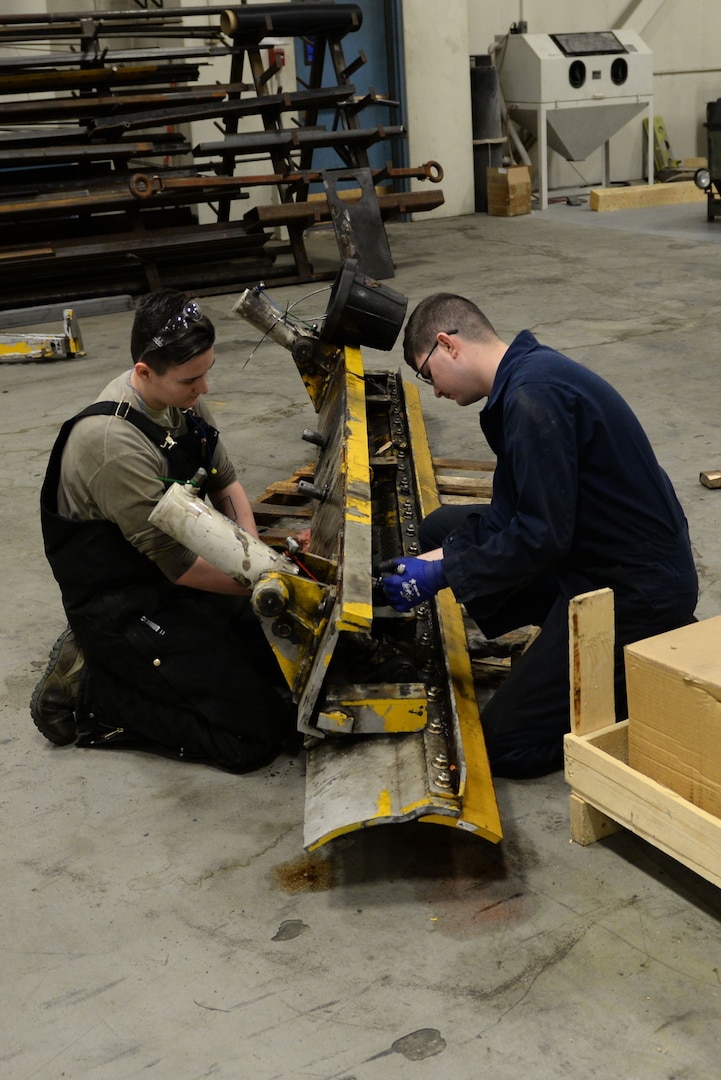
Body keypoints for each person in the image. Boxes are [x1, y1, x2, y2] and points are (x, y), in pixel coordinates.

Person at [381, 293, 698, 778]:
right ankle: (562, 649)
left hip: (635, 590)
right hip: (590, 553)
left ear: (448, 345)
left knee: (503, 744)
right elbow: (517, 513)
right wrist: (440, 556)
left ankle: (636, 690)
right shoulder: (526, 376)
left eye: (427, 376)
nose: (436, 393)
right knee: (439, 529)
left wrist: (444, 569)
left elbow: (540, 536)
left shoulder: (533, 397)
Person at [32, 289, 293, 771]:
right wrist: (269, 585)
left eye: (207, 373)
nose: (205, 389)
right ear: (144, 372)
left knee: (282, 675)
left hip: (172, 576)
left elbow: (225, 484)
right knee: (253, 736)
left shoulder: (183, 402)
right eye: (192, 379)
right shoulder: (112, 443)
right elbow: (177, 563)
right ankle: (93, 689)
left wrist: (260, 562)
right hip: (125, 599)